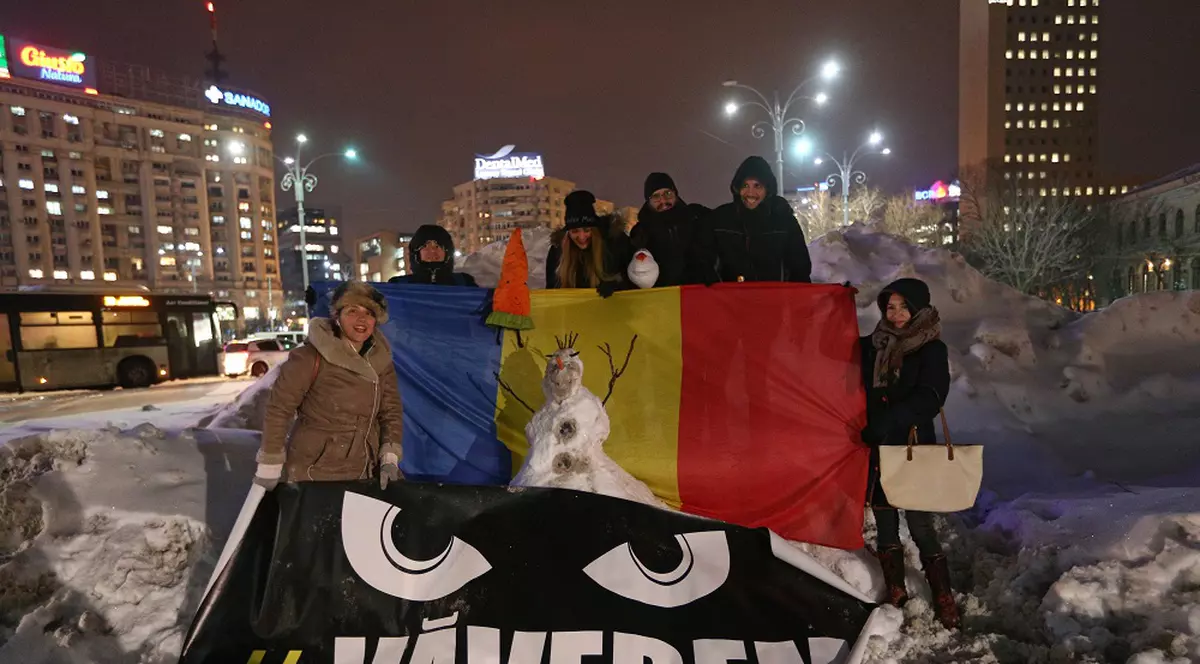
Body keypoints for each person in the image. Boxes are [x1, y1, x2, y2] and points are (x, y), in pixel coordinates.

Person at [859, 277, 958, 629]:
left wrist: (888, 420)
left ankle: (944, 596)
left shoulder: (931, 348)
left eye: (903, 306)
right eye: (890, 307)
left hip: (914, 446)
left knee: (919, 524)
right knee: (885, 521)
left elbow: (931, 397)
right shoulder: (874, 346)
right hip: (881, 447)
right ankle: (896, 591)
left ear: (917, 308)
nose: (896, 314)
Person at [253, 280, 404, 490]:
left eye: (369, 313)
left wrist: (389, 457)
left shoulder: (381, 360)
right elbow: (279, 409)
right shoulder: (310, 356)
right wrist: (270, 464)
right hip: (316, 470)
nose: (362, 318)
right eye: (352, 310)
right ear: (337, 316)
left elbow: (391, 411)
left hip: (365, 468)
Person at [697, 156, 811, 283]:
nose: (750, 193)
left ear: (767, 190)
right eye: (745, 185)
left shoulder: (784, 222)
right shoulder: (719, 220)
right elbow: (704, 263)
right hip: (730, 299)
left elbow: (799, 269)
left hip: (774, 299)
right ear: (738, 188)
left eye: (757, 186)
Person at [629, 172, 714, 287]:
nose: (663, 200)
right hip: (664, 297)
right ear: (648, 201)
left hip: (699, 292)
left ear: (676, 194)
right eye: (656, 196)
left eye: (667, 193)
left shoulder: (696, 217)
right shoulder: (640, 233)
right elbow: (632, 268)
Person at [545, 190, 632, 296]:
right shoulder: (557, 253)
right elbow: (551, 292)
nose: (581, 237)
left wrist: (618, 286)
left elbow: (632, 279)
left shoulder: (614, 245)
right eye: (575, 231)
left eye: (587, 230)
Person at [388, 224, 478, 286]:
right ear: (416, 252)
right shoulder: (398, 285)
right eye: (425, 246)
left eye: (437, 246)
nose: (432, 251)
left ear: (447, 251)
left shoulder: (464, 282)